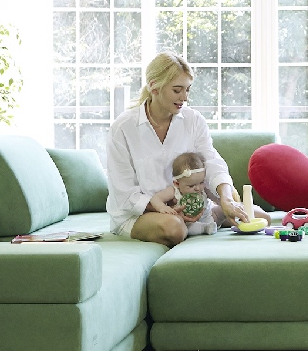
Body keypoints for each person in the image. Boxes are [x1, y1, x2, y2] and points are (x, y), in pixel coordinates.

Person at [107, 51, 270, 247]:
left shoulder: (194, 120)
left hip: (190, 206)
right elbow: (125, 193)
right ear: (154, 87)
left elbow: (212, 162)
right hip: (140, 215)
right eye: (177, 90)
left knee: (261, 217)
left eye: (187, 90)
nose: (184, 97)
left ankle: (212, 216)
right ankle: (198, 222)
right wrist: (166, 209)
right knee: (174, 227)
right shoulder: (123, 128)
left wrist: (226, 200)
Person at [160, 152, 219, 236]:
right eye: (191, 186)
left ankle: (225, 221)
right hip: (188, 222)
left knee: (221, 212)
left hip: (208, 216)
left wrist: (225, 203)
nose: (198, 188)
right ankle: (204, 228)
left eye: (201, 182)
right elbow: (155, 198)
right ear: (177, 184)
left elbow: (216, 197)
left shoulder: (203, 189)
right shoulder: (174, 191)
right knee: (183, 227)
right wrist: (162, 207)